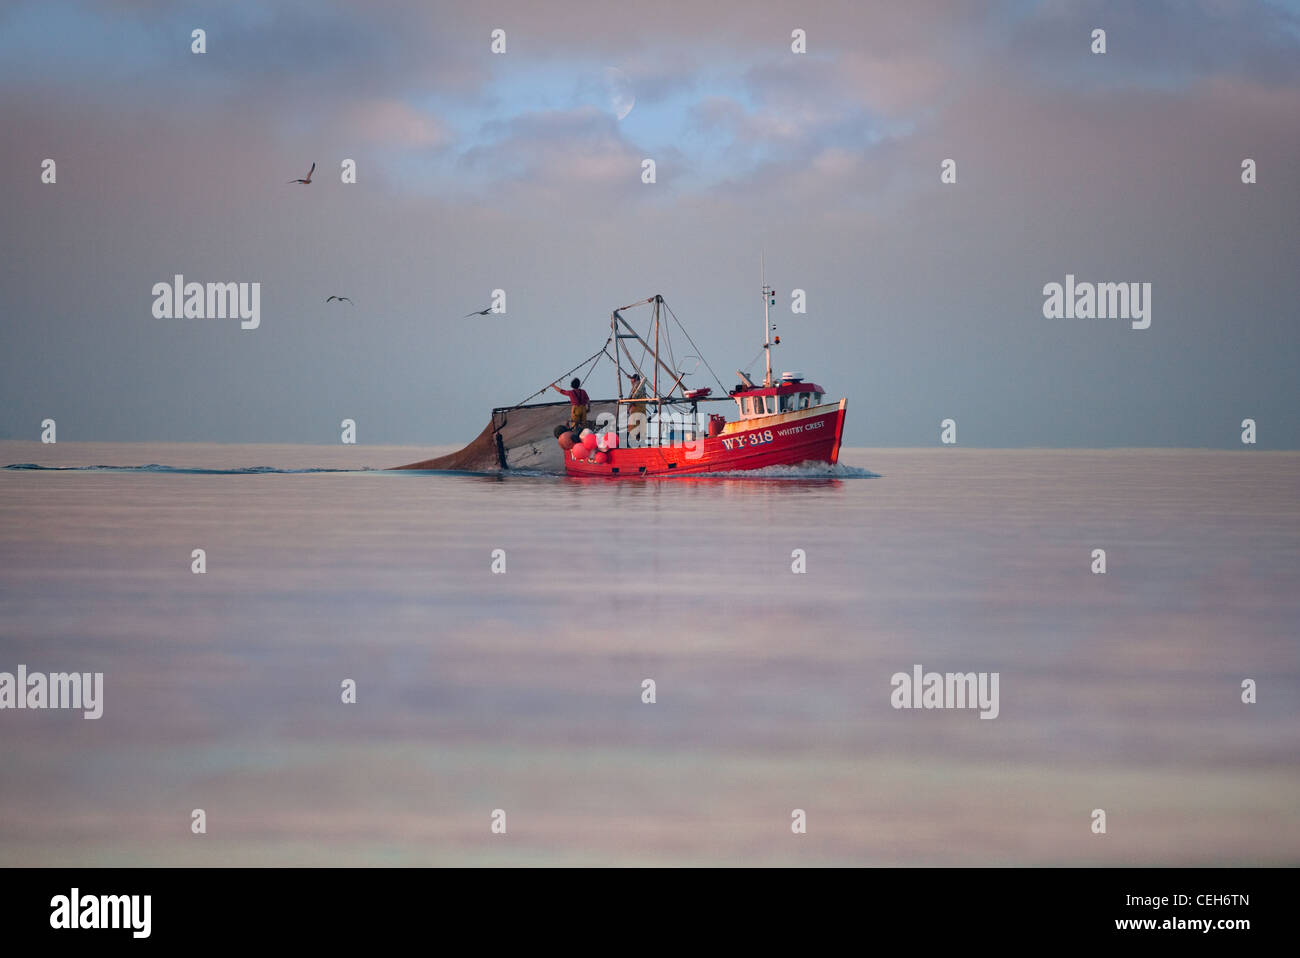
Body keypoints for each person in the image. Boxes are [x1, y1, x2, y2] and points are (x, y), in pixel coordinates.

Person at [626, 373, 648, 445]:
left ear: (634, 380)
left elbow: (631, 397)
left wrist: (628, 408)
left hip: (636, 411)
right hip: (642, 411)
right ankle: (639, 443)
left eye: (632, 379)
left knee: (633, 428)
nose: (631, 381)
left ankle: (634, 443)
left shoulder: (636, 385)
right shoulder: (643, 387)